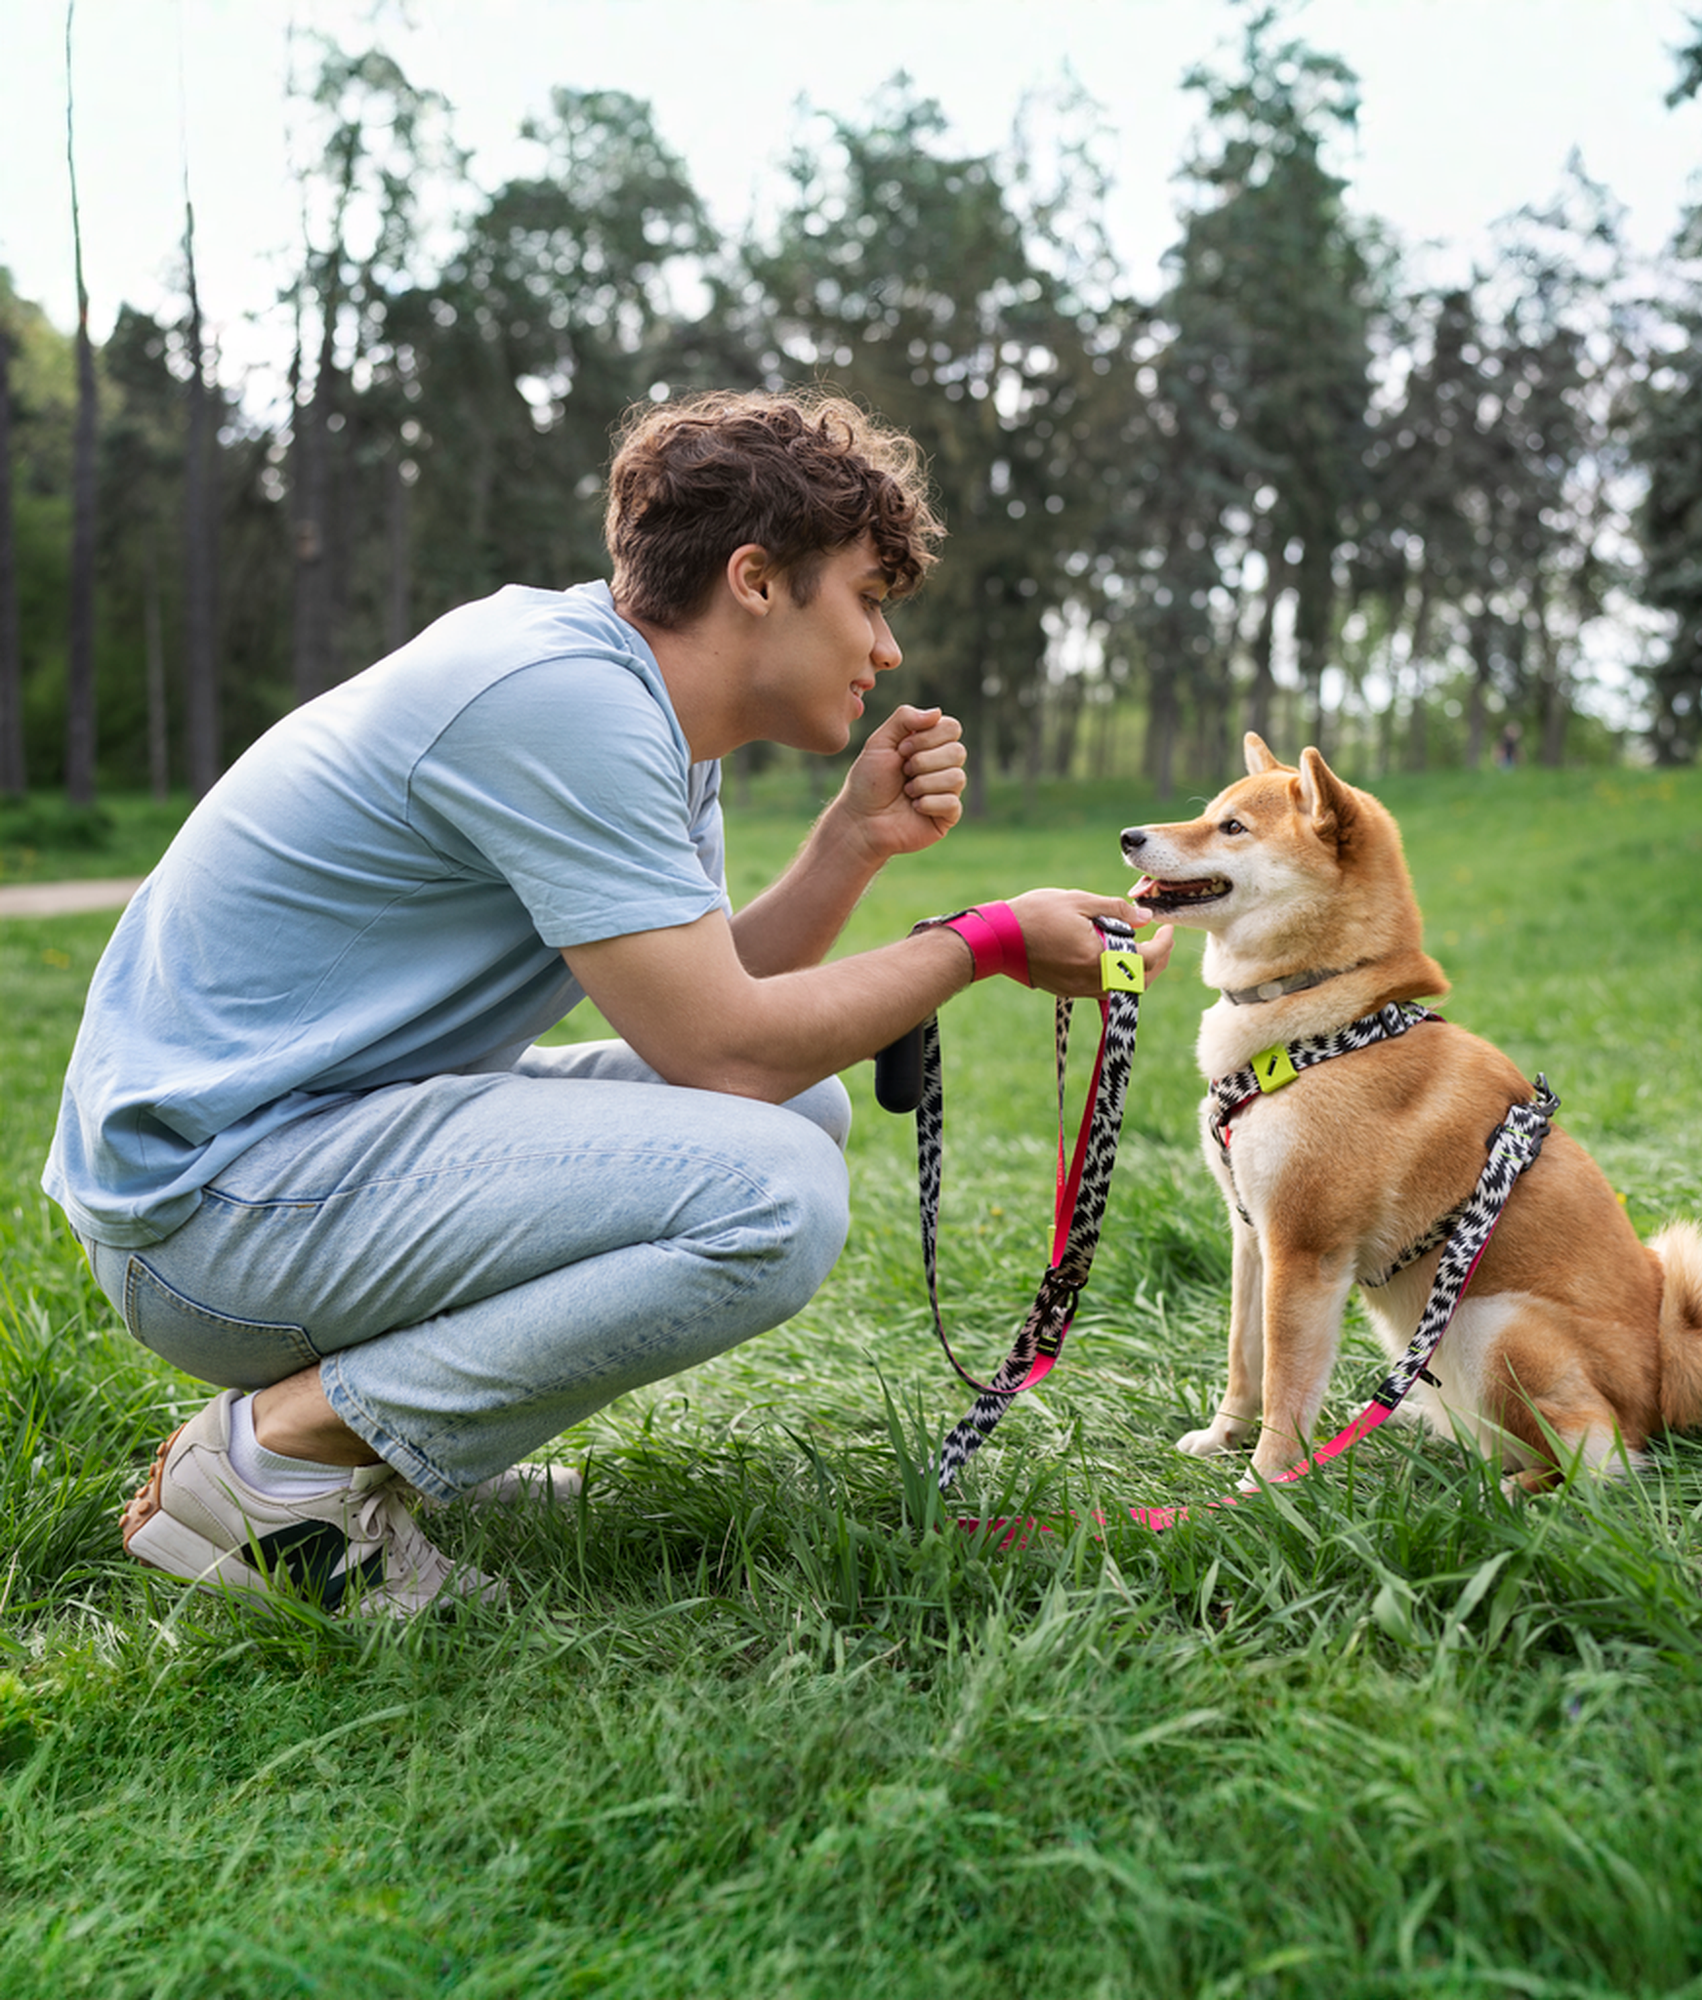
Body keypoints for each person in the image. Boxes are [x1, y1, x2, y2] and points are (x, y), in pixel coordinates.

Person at [45, 388, 1172, 1616]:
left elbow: (717, 1006)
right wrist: (984, 941)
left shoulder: (643, 713)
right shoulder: (562, 699)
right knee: (769, 1190)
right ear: (755, 579)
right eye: (867, 598)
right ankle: (277, 1464)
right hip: (205, 1214)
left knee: (797, 1114)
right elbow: (723, 1049)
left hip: (289, 1163)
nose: (884, 649)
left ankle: (391, 1451)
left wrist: (851, 841)